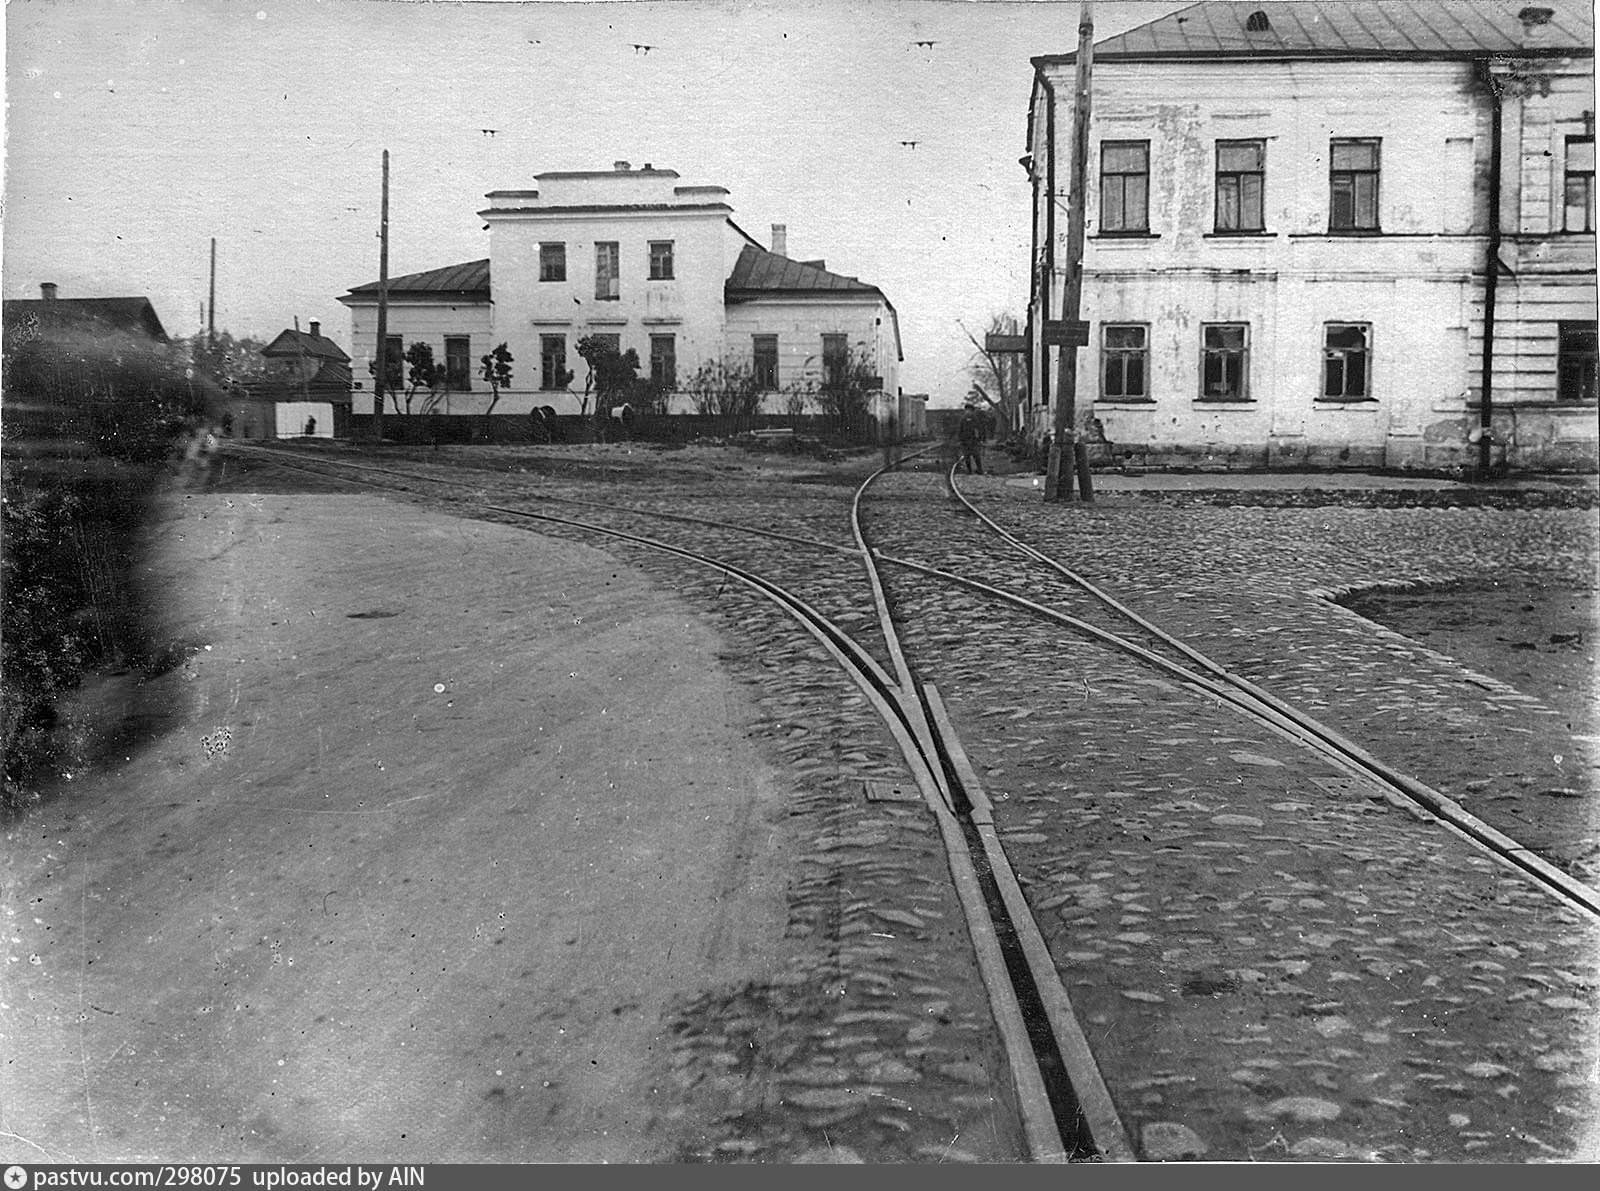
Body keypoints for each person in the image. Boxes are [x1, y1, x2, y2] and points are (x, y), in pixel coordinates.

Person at [957, 401, 989, 475]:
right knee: (974, 455)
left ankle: (970, 471)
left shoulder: (964, 418)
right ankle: (978, 470)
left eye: (968, 410)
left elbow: (960, 430)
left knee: (969, 455)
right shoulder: (974, 418)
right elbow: (979, 428)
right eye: (967, 410)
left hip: (968, 440)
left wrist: (960, 439)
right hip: (972, 440)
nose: (967, 411)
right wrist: (981, 438)